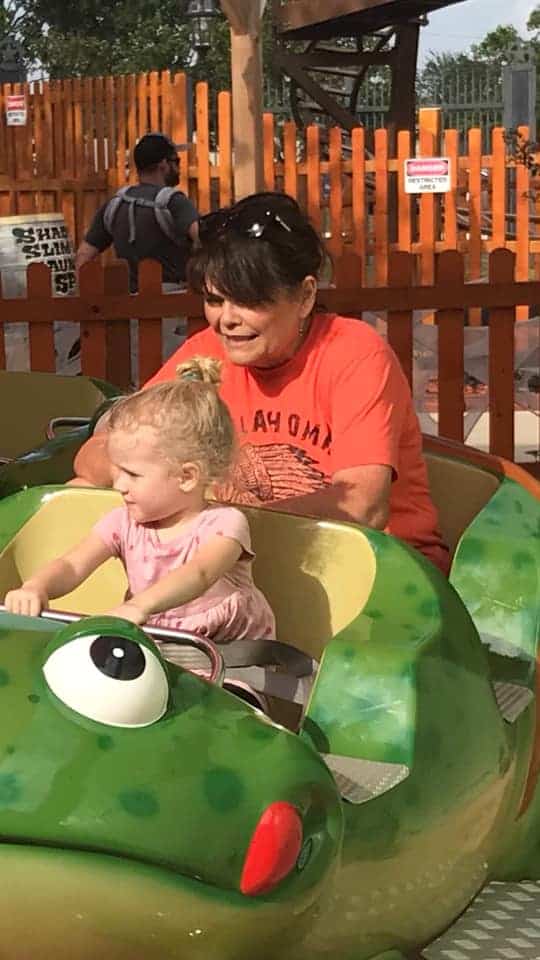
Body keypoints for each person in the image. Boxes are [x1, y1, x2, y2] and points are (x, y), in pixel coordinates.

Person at [73, 191, 450, 575]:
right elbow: (92, 458)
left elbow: (362, 506)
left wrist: (217, 529)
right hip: (246, 565)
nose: (227, 320)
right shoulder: (202, 355)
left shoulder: (355, 353)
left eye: (248, 301)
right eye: (215, 300)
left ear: (304, 297)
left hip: (377, 567)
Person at [4, 358, 276, 650]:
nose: (119, 485)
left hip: (228, 653)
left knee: (234, 692)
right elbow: (72, 564)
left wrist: (140, 606)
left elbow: (200, 573)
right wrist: (36, 587)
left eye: (132, 474)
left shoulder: (224, 524)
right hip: (154, 647)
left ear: (186, 477)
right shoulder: (123, 522)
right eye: (117, 470)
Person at [76, 132, 199, 293]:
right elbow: (202, 239)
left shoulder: (115, 205)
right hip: (174, 302)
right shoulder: (173, 202)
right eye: (176, 161)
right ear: (164, 164)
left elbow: (83, 256)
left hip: (129, 304)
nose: (179, 167)